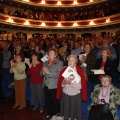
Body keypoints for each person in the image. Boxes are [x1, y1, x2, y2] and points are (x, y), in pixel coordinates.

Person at [56, 54, 87, 120]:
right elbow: (60, 84)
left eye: (72, 60)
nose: (70, 62)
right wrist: (64, 82)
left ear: (75, 63)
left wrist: (70, 83)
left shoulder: (79, 72)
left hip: (74, 95)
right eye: (69, 60)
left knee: (74, 114)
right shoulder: (64, 70)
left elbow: (80, 87)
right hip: (66, 93)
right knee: (66, 113)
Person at [41, 48, 63, 120]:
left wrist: (49, 72)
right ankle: (49, 114)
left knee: (55, 101)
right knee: (47, 101)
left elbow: (59, 74)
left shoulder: (59, 62)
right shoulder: (45, 62)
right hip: (46, 84)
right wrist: (43, 73)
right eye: (49, 53)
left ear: (55, 55)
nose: (50, 54)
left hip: (54, 85)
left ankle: (58, 115)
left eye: (52, 53)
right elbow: (41, 73)